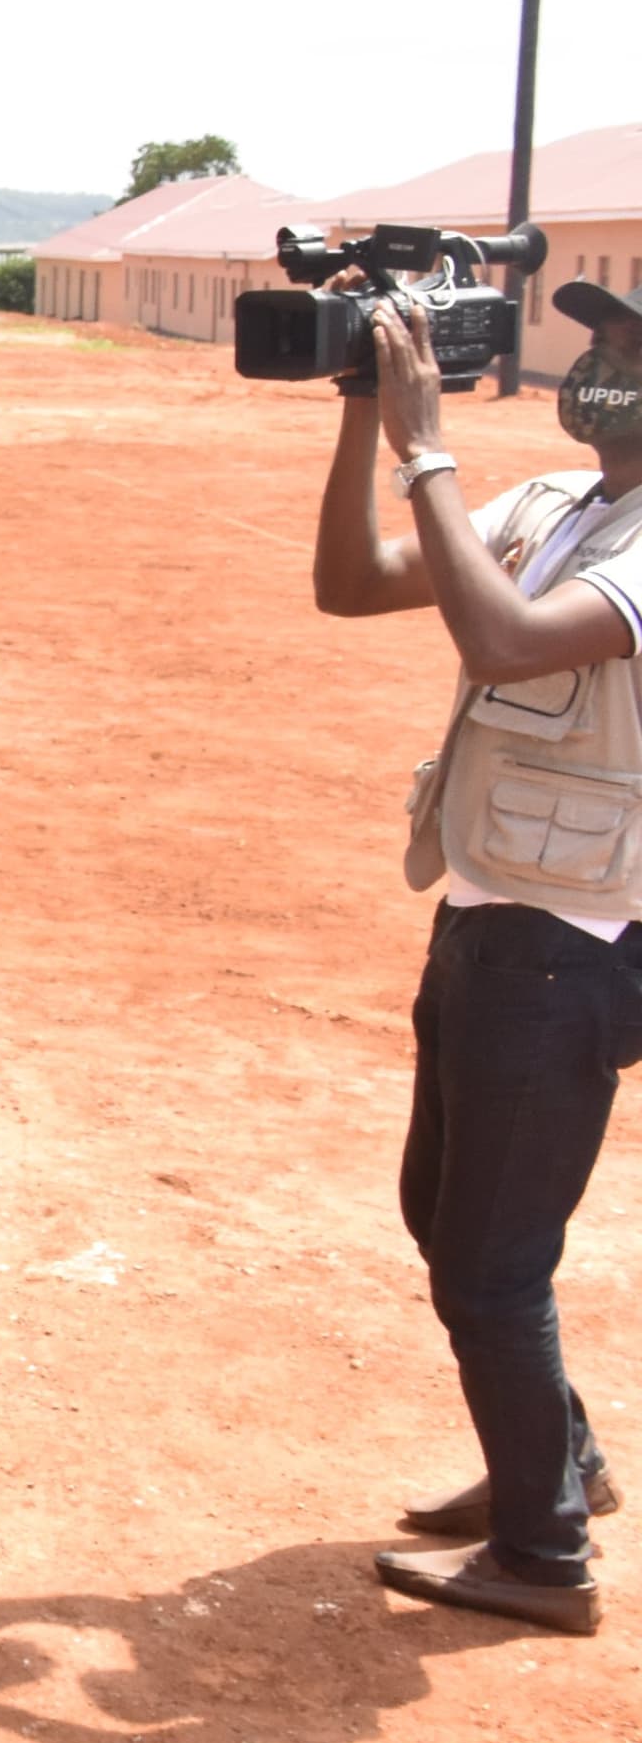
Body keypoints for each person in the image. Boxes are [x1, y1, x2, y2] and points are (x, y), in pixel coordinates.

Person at [312, 277, 642, 1636]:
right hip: (492, 913)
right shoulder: (562, 506)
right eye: (606, 339)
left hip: (573, 942)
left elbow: (502, 642)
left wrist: (427, 449)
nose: (603, 361)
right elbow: (352, 585)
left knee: (491, 1262)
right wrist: (356, 416)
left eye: (631, 346)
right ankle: (552, 1457)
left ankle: (543, 1553)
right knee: (442, 1213)